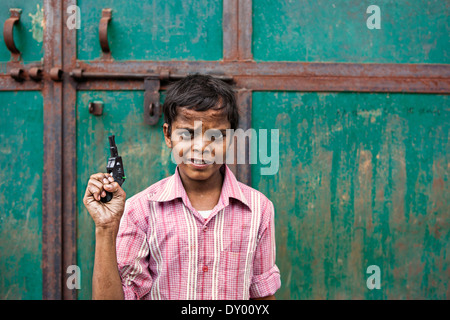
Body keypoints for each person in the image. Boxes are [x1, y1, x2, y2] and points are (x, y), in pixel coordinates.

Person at [83, 74, 281, 300]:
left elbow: (262, 296)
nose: (201, 147)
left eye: (216, 136)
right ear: (168, 135)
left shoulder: (258, 209)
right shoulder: (140, 210)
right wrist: (106, 228)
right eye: (187, 134)